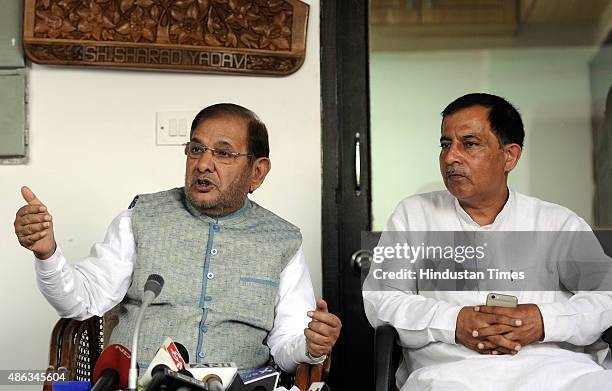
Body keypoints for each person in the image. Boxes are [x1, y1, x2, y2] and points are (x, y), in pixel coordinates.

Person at [14, 103, 341, 373]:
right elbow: (79, 301)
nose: (203, 164)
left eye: (223, 154)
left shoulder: (281, 241)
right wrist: (48, 254)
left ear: (257, 172)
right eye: (196, 149)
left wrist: (310, 346)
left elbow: (287, 345)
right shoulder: (141, 218)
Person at [363, 93, 612, 390]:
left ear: (510, 156)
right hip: (453, 372)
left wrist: (542, 320)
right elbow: (382, 300)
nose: (451, 157)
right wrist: (455, 321)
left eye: (469, 144)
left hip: (554, 370)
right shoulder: (414, 215)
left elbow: (607, 294)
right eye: (445, 144)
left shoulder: (555, 222)